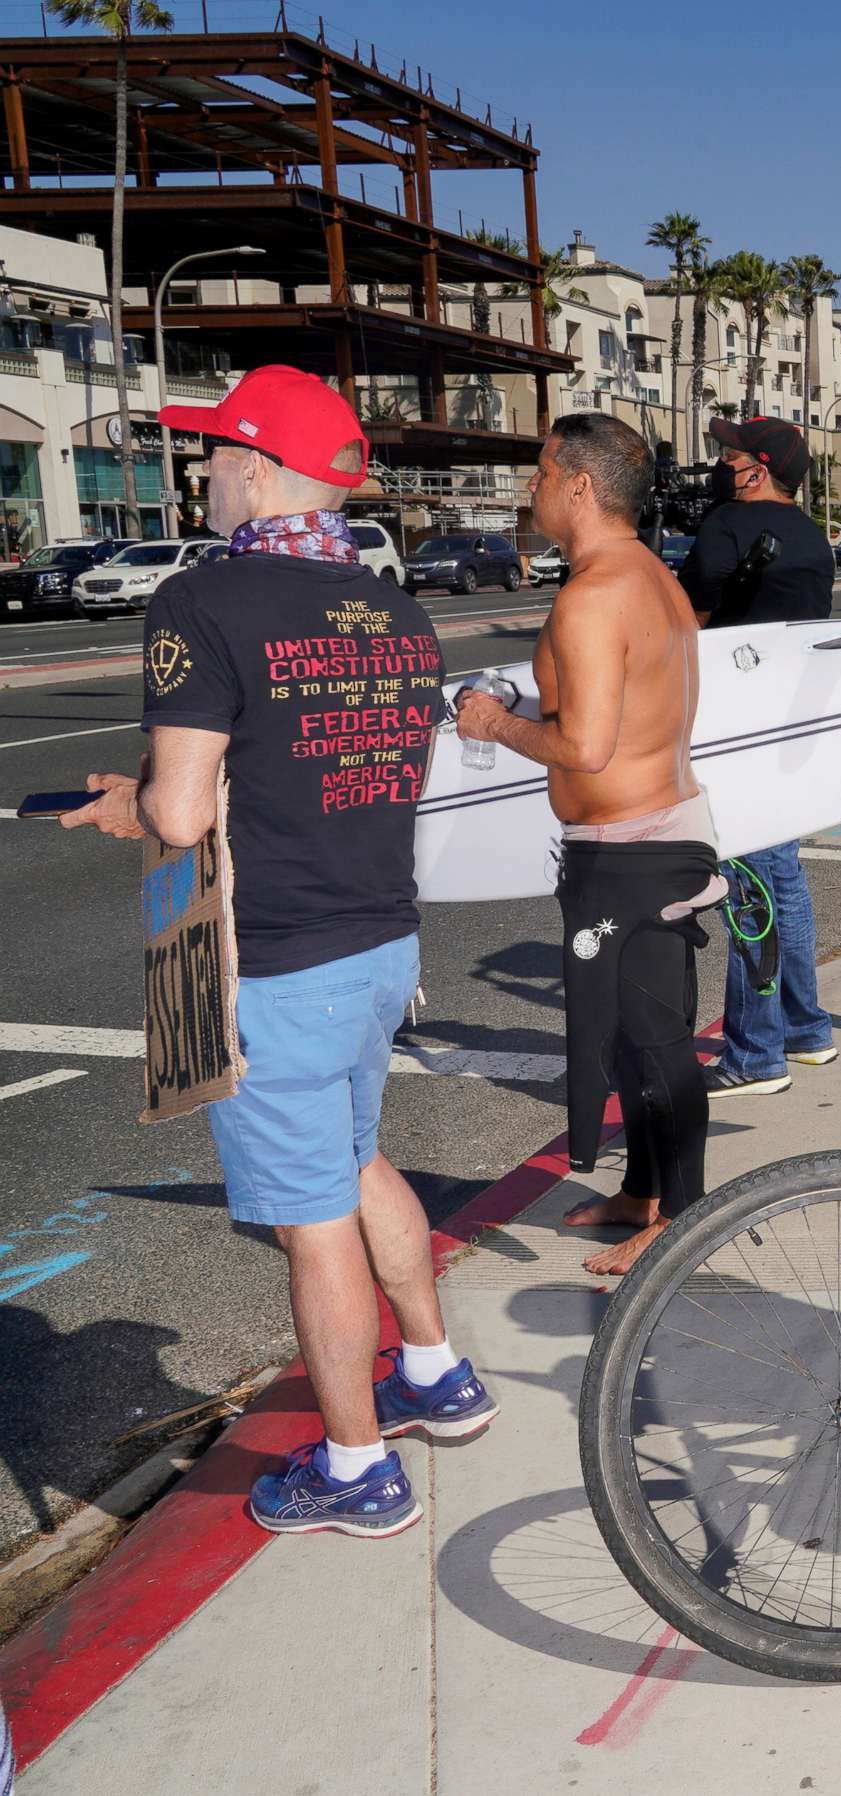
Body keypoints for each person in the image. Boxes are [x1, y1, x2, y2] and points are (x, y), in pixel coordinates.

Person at [60, 365, 494, 1538]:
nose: (200, 471)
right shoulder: (393, 608)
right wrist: (153, 794)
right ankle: (436, 1372)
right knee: (356, 1162)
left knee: (313, 1220)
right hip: (379, 939)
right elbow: (297, 768)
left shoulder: (204, 602)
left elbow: (188, 817)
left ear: (257, 465)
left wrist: (134, 805)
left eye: (212, 453)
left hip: (270, 960)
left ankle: (356, 1466)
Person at [457, 413, 714, 1279]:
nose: (530, 489)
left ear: (578, 485)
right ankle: (644, 1189)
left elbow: (588, 748)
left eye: (537, 471)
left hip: (632, 846)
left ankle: (680, 1220)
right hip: (645, 835)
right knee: (630, 1035)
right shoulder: (650, 578)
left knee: (652, 1040)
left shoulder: (596, 592)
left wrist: (494, 723)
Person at [678, 415, 839, 1099]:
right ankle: (806, 1030)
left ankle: (754, 1054)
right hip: (793, 725)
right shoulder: (815, 539)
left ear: (758, 467)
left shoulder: (725, 528)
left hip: (735, 727)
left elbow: (685, 618)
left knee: (751, 888)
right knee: (783, 879)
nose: (718, 464)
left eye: (728, 454)